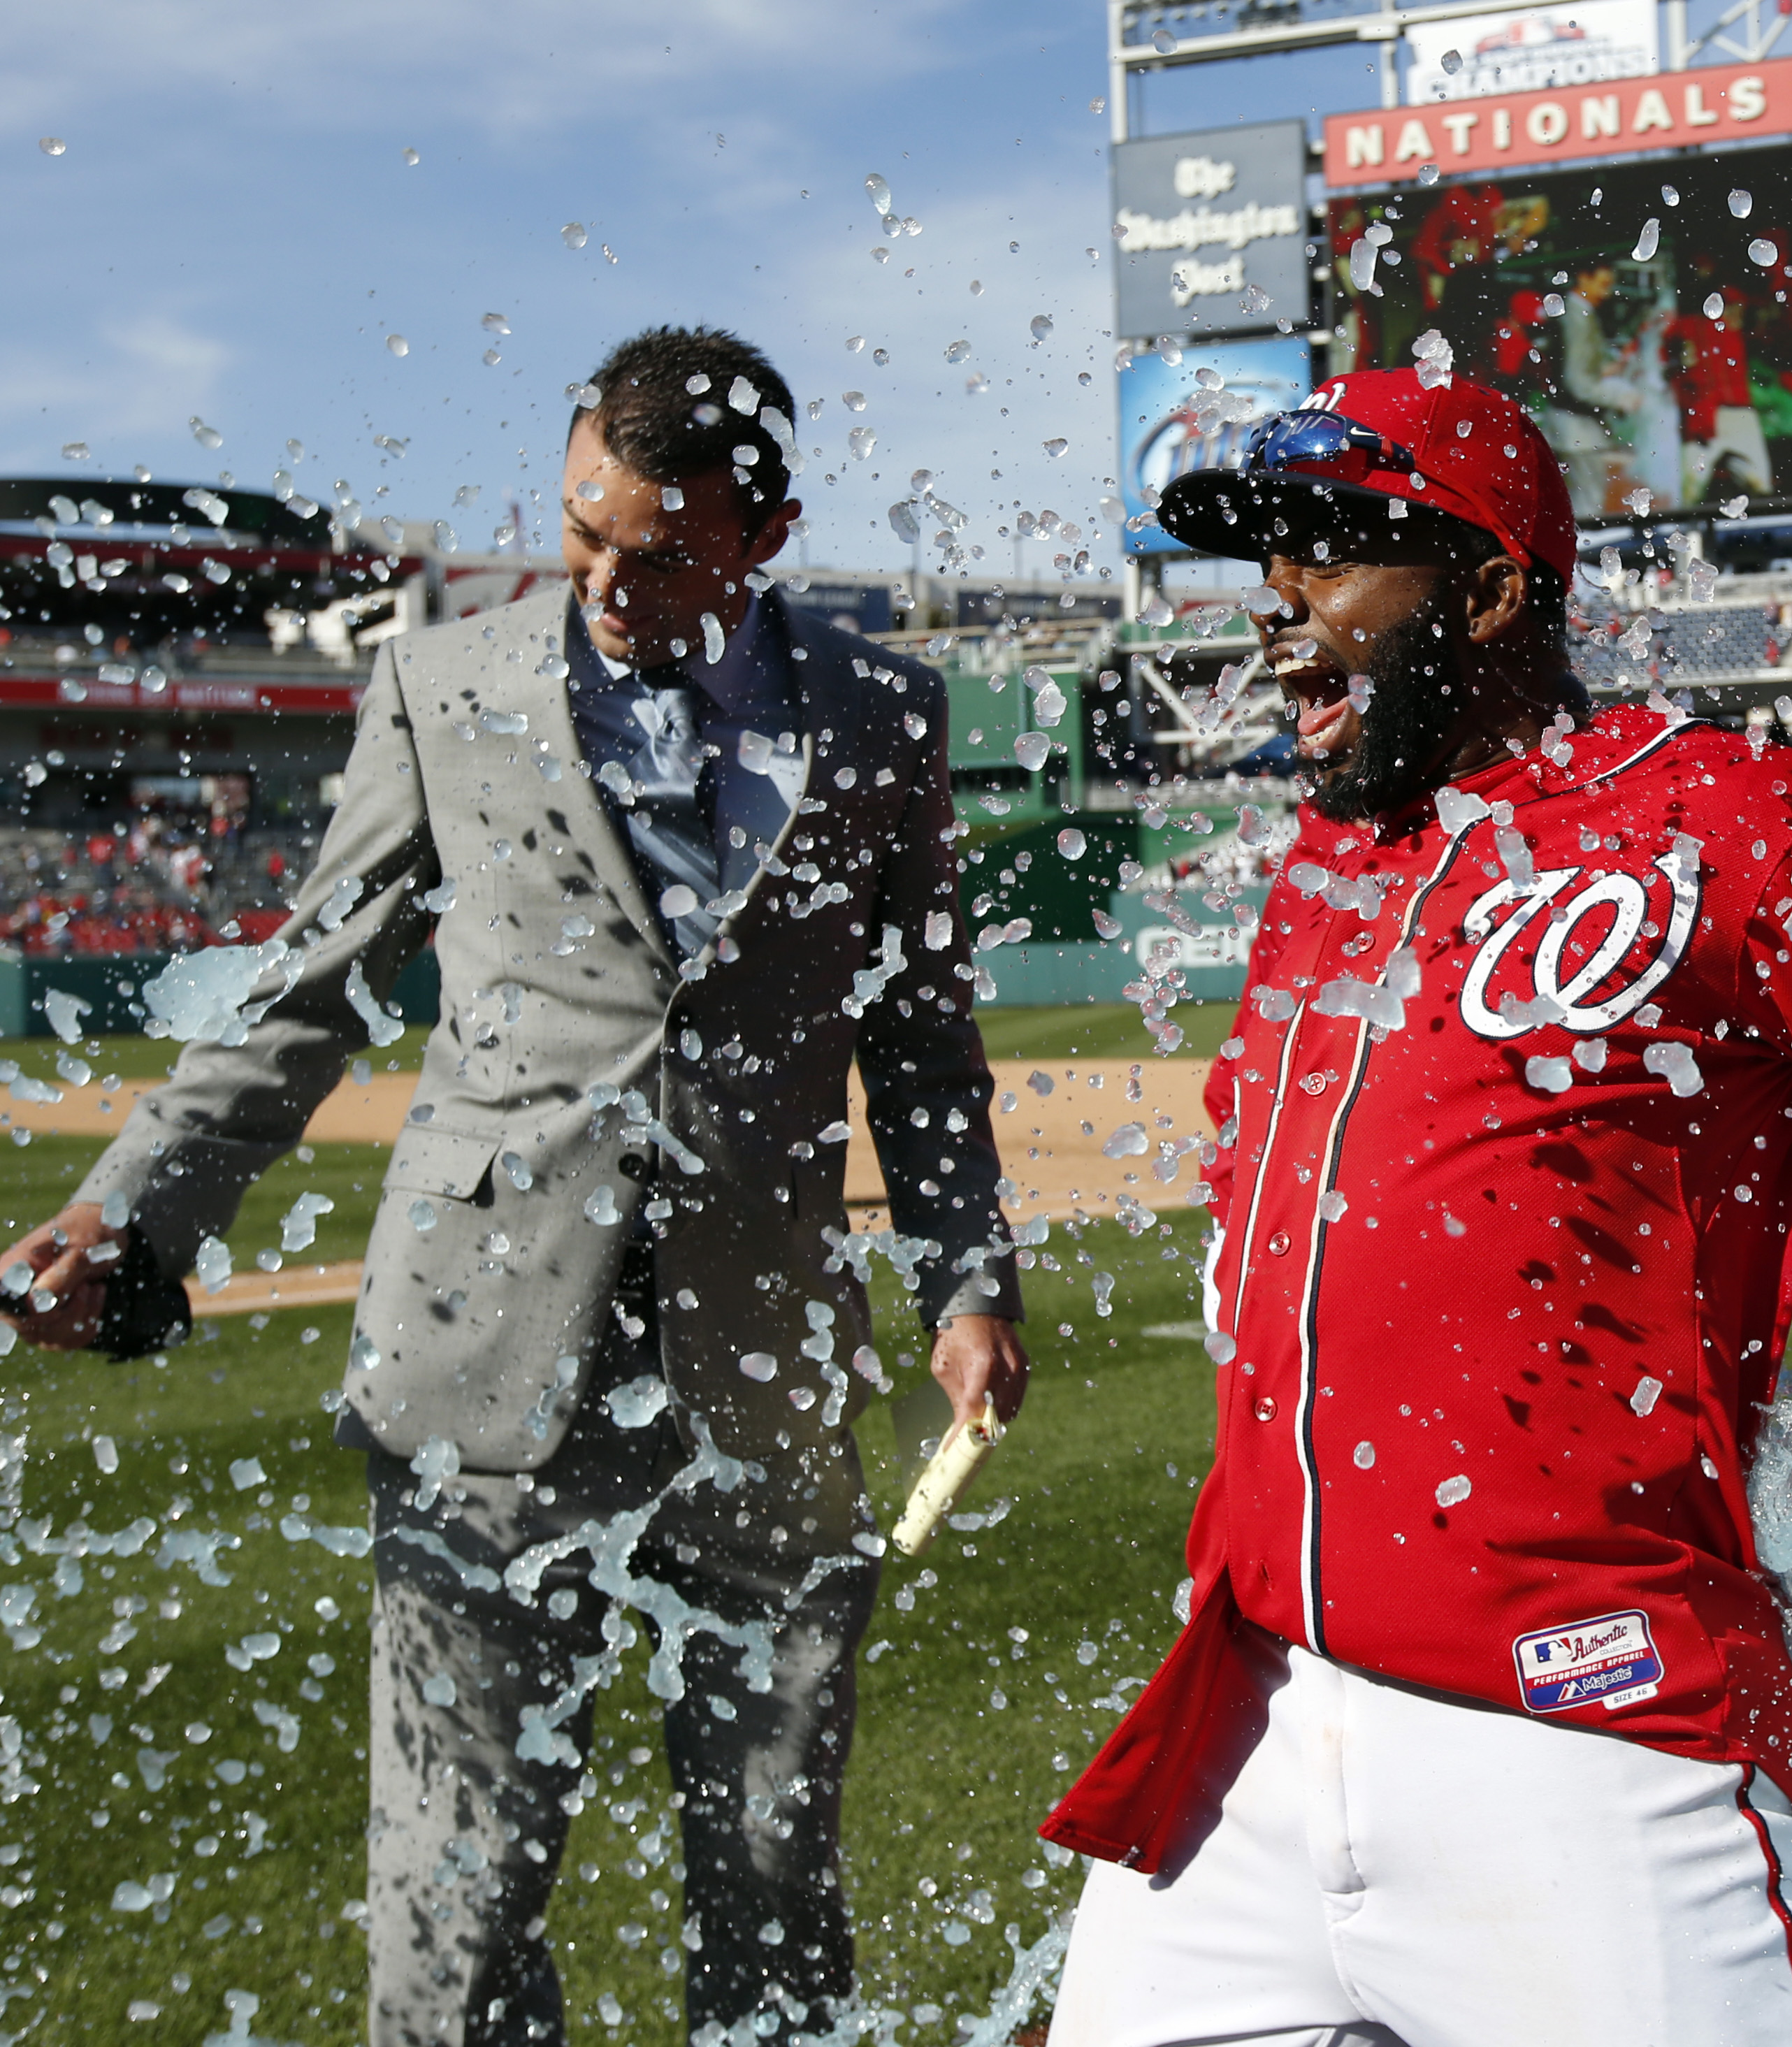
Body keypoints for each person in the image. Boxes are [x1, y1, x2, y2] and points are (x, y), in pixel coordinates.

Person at [1041, 368, 1792, 2046]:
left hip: (1586, 1736)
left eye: (1329, 557)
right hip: (1243, 1724)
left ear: (1481, 590)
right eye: (1268, 566)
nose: (1277, 605)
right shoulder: (1325, 872)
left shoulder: (1742, 818)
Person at [0, 325, 1029, 2047]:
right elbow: (306, 986)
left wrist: (966, 1279)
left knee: (774, 1885)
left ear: (764, 538)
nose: (610, 581)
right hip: (477, 1364)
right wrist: (137, 1206)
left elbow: (920, 1038)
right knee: (455, 1898)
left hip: (762, 1378)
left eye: (663, 547)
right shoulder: (444, 683)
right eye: (583, 532)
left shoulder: (882, 714)